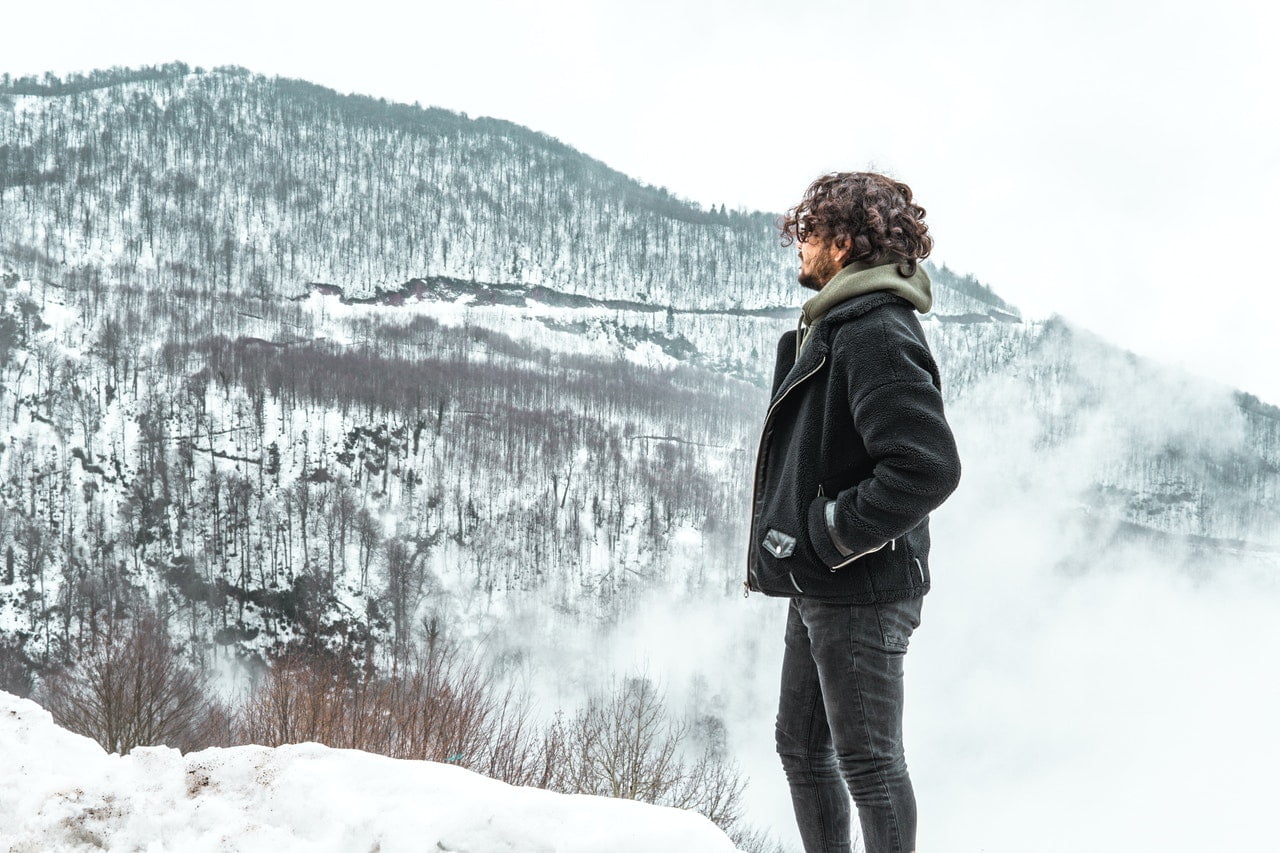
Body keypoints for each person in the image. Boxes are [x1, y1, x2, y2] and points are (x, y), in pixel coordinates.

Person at [745, 171, 962, 853]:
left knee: (868, 760)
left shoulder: (873, 329)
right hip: (823, 582)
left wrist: (832, 532)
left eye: (808, 233)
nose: (798, 247)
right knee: (801, 747)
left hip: (860, 587)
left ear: (842, 240)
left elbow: (926, 465)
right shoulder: (836, 324)